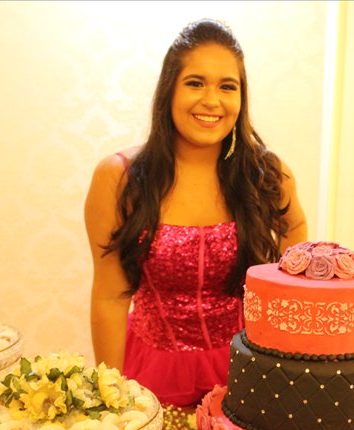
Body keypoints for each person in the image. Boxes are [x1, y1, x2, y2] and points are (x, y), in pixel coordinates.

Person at [84, 19, 307, 407]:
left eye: (227, 86)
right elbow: (110, 297)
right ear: (169, 89)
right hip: (151, 374)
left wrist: (287, 350)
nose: (212, 101)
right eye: (195, 83)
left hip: (249, 369)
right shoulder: (119, 177)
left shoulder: (268, 175)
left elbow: (296, 246)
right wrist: (110, 395)